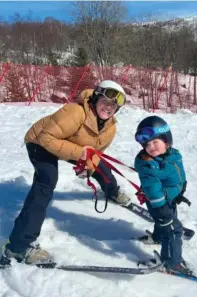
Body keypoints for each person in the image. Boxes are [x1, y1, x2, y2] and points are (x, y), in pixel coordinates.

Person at [1, 80, 131, 265]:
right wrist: (80, 153)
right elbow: (47, 137)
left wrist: (87, 166)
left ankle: (112, 191)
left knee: (100, 167)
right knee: (46, 181)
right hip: (40, 142)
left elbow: (95, 153)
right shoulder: (75, 111)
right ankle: (19, 246)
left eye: (113, 105)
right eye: (105, 101)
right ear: (95, 98)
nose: (108, 108)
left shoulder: (110, 127)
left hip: (71, 145)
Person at [134, 115, 192, 275]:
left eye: (155, 142)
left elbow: (178, 174)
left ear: (166, 140)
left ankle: (159, 237)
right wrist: (160, 210)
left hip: (169, 198)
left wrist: (180, 190)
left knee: (167, 223)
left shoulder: (173, 155)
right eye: (147, 144)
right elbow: (153, 189)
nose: (151, 147)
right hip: (157, 202)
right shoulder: (148, 164)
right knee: (173, 230)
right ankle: (172, 263)